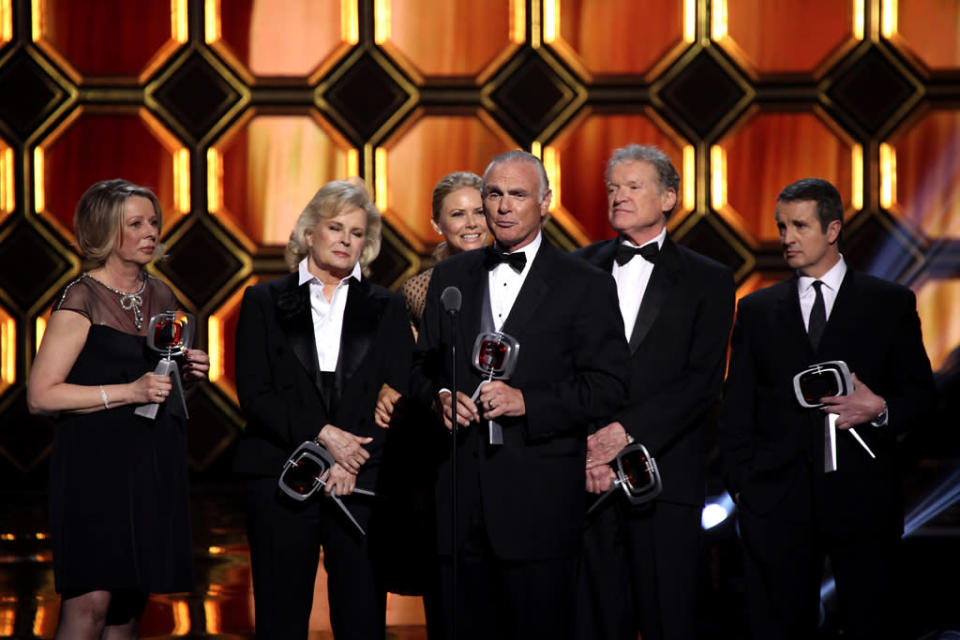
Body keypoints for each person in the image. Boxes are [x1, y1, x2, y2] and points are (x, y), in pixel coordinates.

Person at [411, 150, 629, 640]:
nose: (503, 206)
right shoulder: (450, 279)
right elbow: (420, 368)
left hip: (539, 510)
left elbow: (610, 385)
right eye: (494, 194)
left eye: (517, 194)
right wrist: (441, 395)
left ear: (545, 202)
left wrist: (527, 402)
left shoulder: (585, 285)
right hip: (456, 505)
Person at [719, 178, 935, 640]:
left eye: (799, 225)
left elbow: (920, 397)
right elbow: (737, 407)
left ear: (833, 228)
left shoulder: (889, 303)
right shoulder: (757, 309)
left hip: (863, 499)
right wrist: (746, 488)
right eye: (782, 226)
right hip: (776, 501)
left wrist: (880, 409)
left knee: (869, 623)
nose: (786, 238)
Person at [27, 179, 210, 639]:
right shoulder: (82, 298)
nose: (150, 232)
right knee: (91, 602)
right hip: (95, 467)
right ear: (106, 231)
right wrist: (127, 391)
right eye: (136, 224)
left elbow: (155, 383)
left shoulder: (163, 296)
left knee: (129, 606)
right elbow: (41, 395)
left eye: (153, 222)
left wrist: (185, 375)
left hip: (149, 461)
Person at [233, 179, 413, 639]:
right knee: (280, 613)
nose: (346, 240)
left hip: (361, 478)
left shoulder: (388, 307)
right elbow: (256, 394)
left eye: (356, 233)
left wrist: (352, 458)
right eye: (335, 227)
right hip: (280, 473)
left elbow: (398, 393)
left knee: (361, 615)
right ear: (310, 233)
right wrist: (324, 436)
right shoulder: (263, 301)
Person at [574, 144, 735, 640]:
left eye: (633, 187)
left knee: (668, 619)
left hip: (664, 479)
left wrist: (623, 434)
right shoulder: (575, 269)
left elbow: (702, 381)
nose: (618, 197)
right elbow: (557, 368)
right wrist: (587, 449)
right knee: (592, 621)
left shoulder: (708, 278)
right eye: (613, 188)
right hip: (584, 481)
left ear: (668, 197)